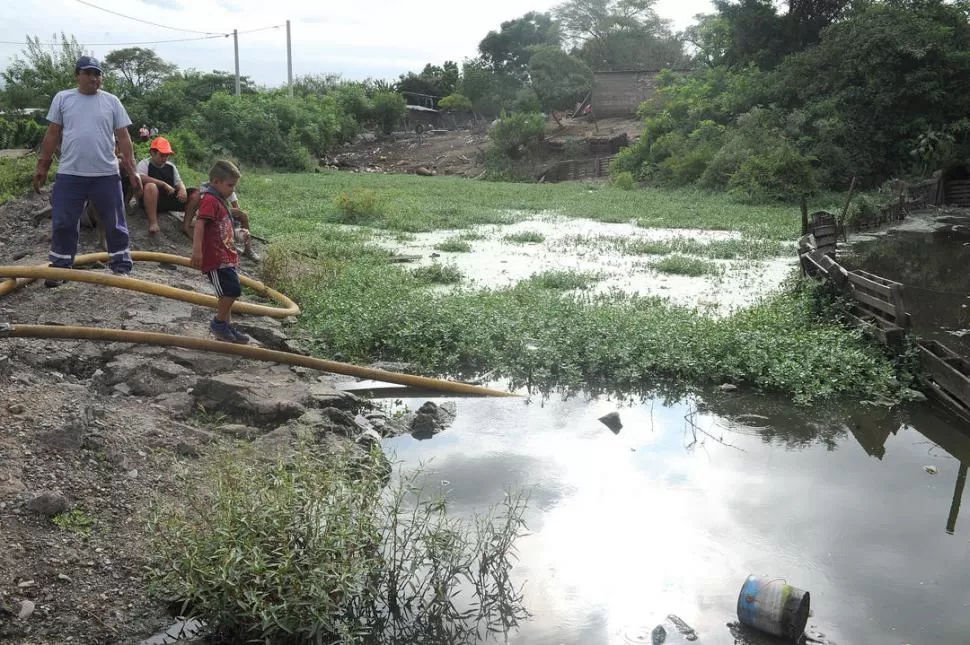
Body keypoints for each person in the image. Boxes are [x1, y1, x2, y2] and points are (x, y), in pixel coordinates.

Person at [32, 55, 142, 286]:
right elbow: (52, 133)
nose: (93, 78)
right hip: (71, 172)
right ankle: (61, 268)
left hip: (106, 174)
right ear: (78, 75)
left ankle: (121, 265)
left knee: (115, 220)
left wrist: (132, 172)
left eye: (97, 74)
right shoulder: (63, 98)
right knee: (64, 221)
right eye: (88, 73)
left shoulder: (112, 102)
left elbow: (124, 138)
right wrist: (43, 165)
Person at [190, 160, 250, 344]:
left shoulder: (220, 201)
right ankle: (218, 323)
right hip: (215, 259)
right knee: (232, 291)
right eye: (230, 185)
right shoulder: (209, 199)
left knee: (226, 294)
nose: (232, 190)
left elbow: (222, 229)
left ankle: (225, 326)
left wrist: (239, 234)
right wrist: (197, 251)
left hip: (226, 257)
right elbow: (200, 224)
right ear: (216, 182)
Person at [182, 180, 259, 261]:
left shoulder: (229, 191)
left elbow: (236, 207)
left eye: (233, 186)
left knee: (243, 216)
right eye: (230, 185)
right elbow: (202, 216)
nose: (233, 189)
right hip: (209, 221)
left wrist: (234, 211)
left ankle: (247, 249)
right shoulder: (206, 192)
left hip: (224, 222)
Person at [136, 136, 196, 234]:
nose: (164, 158)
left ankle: (186, 224)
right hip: (150, 199)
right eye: (162, 155)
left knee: (196, 193)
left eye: (166, 155)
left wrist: (182, 189)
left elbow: (178, 181)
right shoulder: (144, 164)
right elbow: (140, 177)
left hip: (168, 198)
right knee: (151, 186)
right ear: (152, 153)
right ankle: (153, 222)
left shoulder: (171, 166)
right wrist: (163, 184)